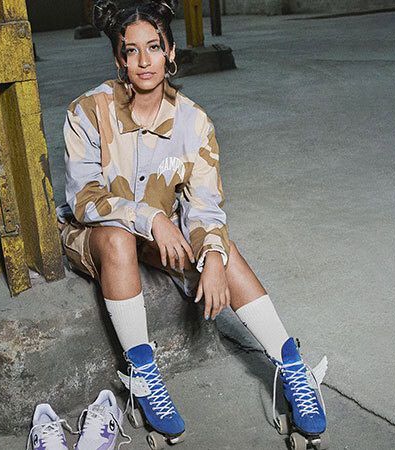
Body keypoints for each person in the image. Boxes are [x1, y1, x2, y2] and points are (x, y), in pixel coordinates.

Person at [55, 1, 328, 449]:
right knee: (120, 237)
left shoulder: (193, 121)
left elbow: (204, 206)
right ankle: (143, 373)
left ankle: (292, 366)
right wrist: (152, 219)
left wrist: (213, 256)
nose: (144, 61)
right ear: (119, 58)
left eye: (154, 47)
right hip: (97, 235)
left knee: (222, 248)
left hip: (159, 236)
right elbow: (84, 200)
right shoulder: (87, 110)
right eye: (132, 50)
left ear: (170, 51)